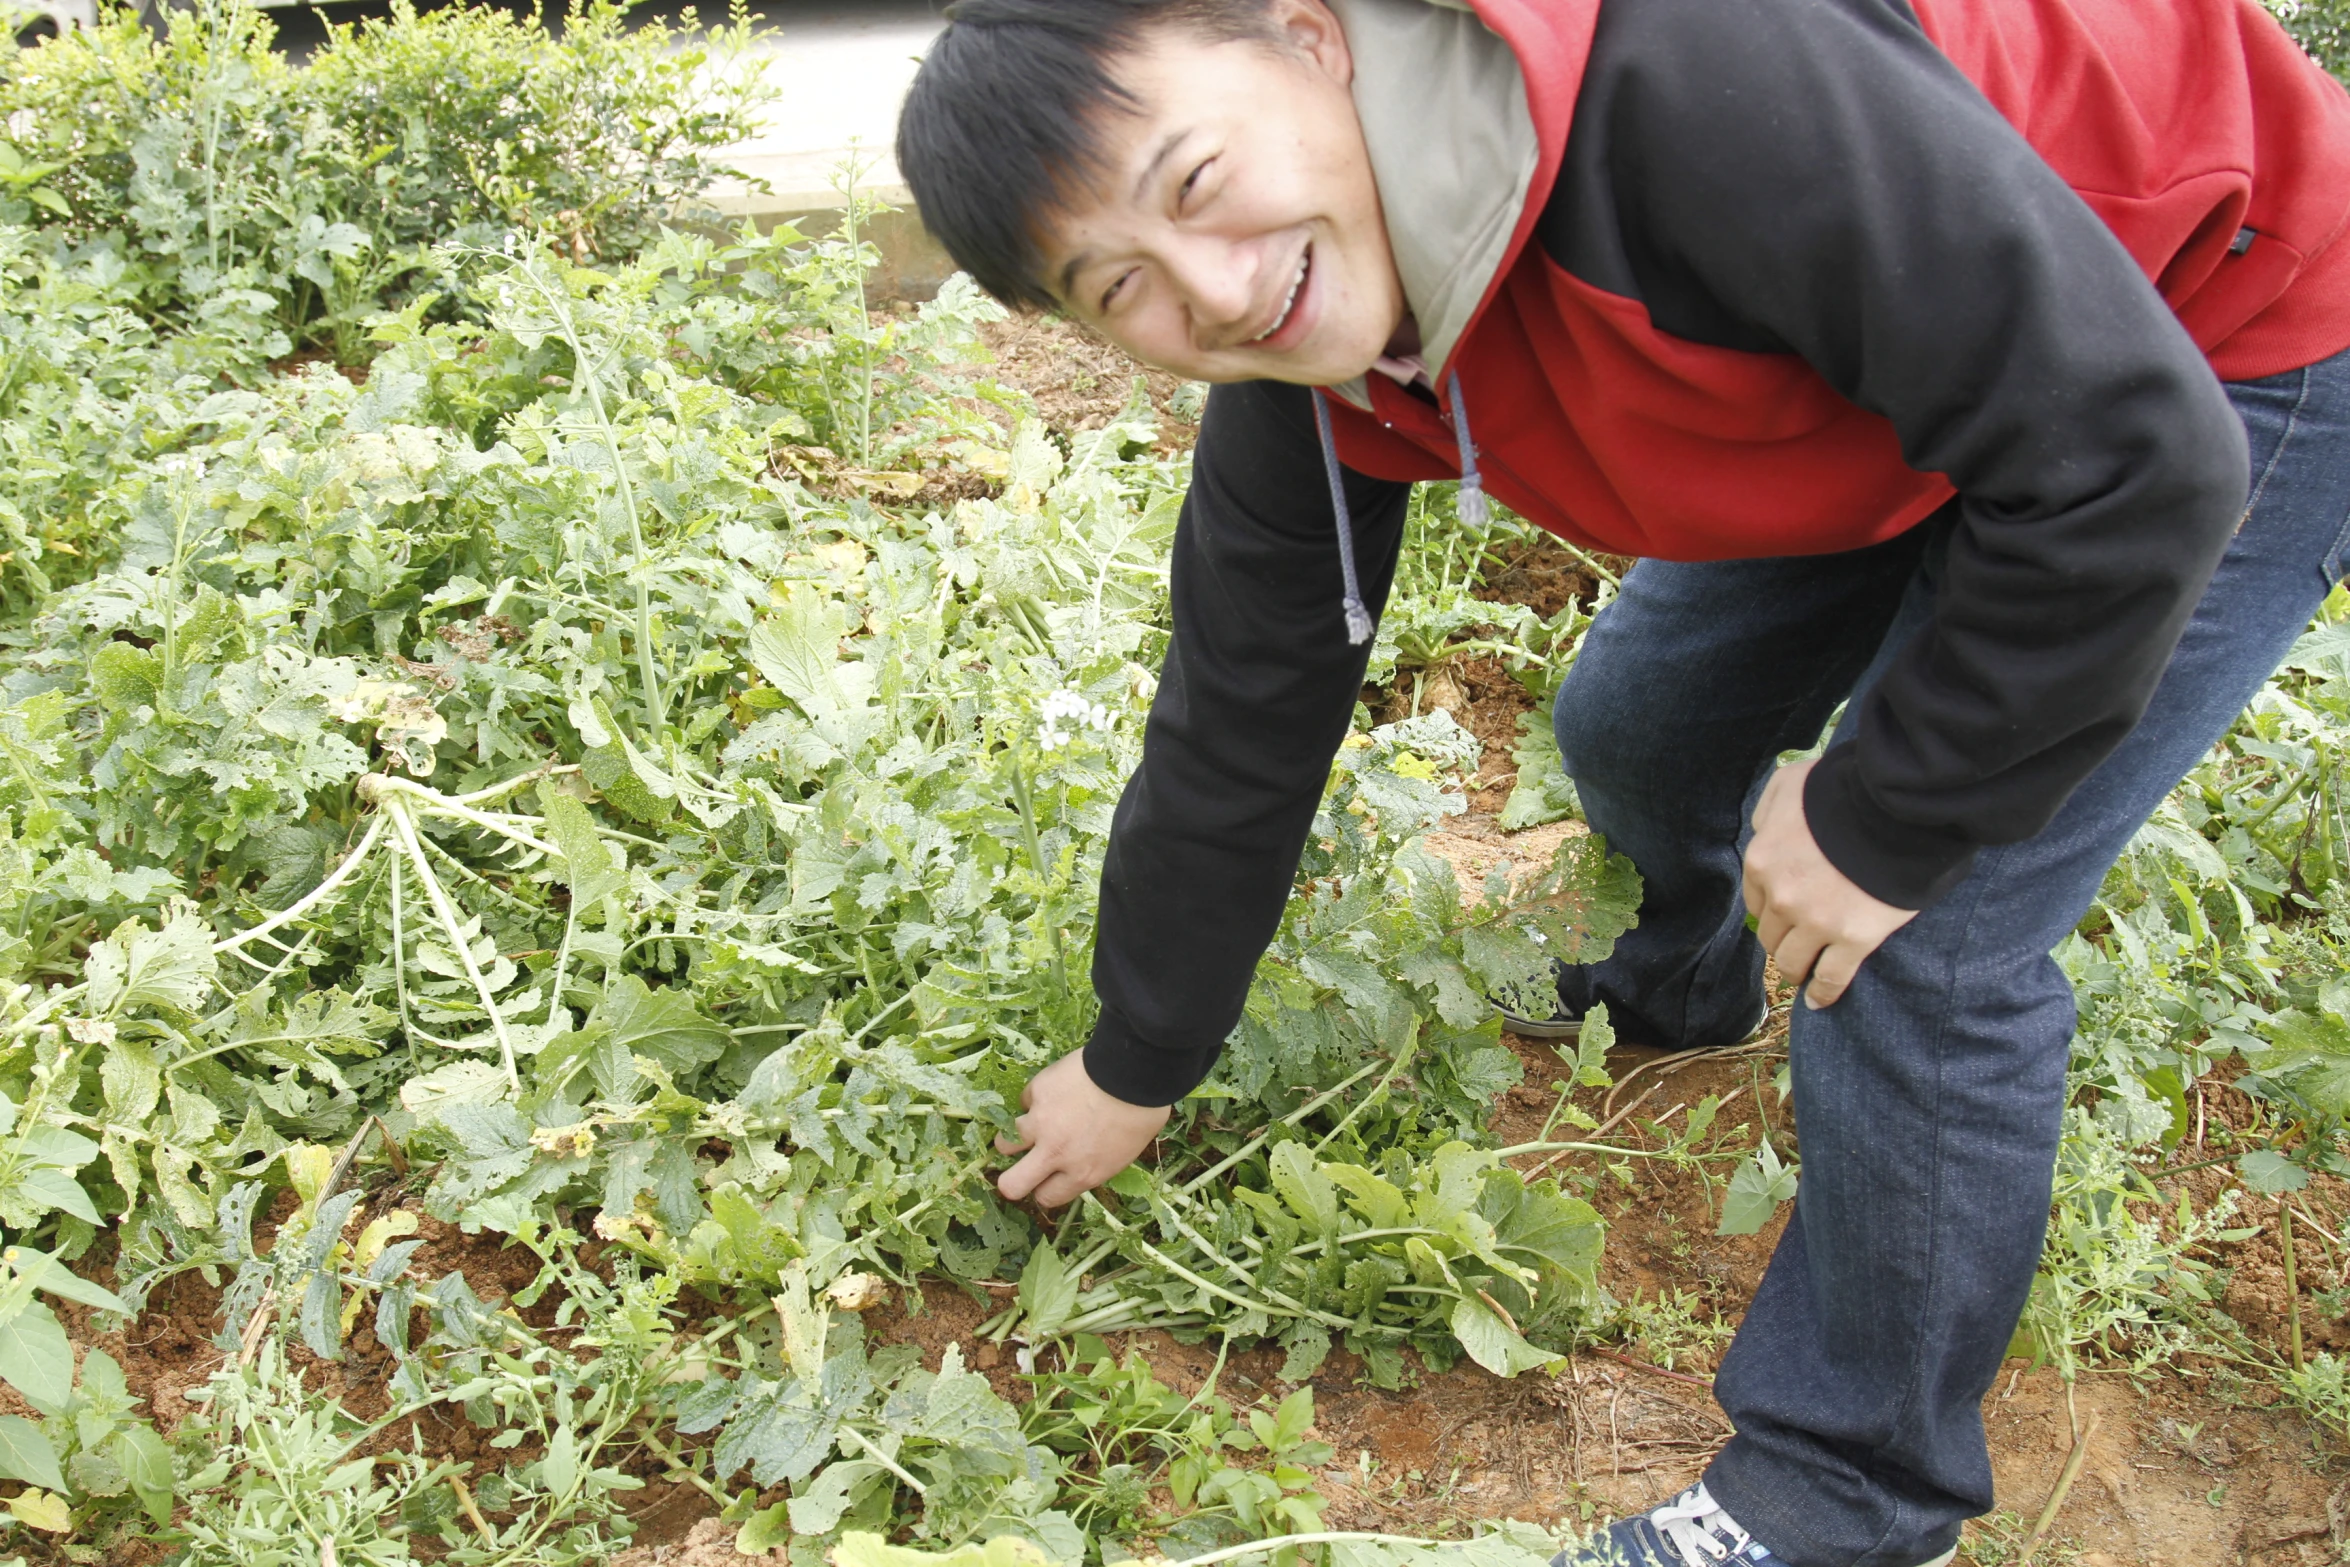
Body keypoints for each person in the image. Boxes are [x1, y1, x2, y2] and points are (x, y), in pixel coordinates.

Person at [895, 0, 2350, 1561]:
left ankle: (1850, 1492)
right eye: (1125, 288)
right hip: (1905, 367)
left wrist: (1883, 813)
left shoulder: (1685, 84)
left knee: (1916, 937)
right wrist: (1137, 1054)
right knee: (1637, 723)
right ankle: (1685, 980)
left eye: (1196, 182)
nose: (1223, 290)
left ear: (1312, 41)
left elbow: (2126, 457)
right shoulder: (1307, 369)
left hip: (2212, 330)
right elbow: (1237, 711)